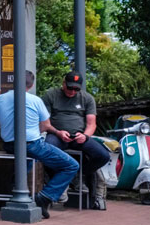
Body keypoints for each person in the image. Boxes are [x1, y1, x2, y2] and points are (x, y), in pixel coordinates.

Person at [0, 70, 79, 219]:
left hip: (9, 145)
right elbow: (46, 125)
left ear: (13, 83)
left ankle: (19, 192)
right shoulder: (35, 100)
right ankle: (45, 197)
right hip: (32, 144)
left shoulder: (0, 99)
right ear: (31, 85)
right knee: (71, 165)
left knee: (29, 160)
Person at [41, 72, 111, 210]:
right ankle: (61, 180)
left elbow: (92, 124)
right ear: (63, 83)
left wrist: (85, 136)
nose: (72, 92)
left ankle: (79, 174)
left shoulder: (87, 98)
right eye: (70, 88)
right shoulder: (51, 95)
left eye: (76, 89)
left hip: (79, 136)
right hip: (57, 134)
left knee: (103, 155)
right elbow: (44, 122)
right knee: (47, 150)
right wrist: (57, 132)